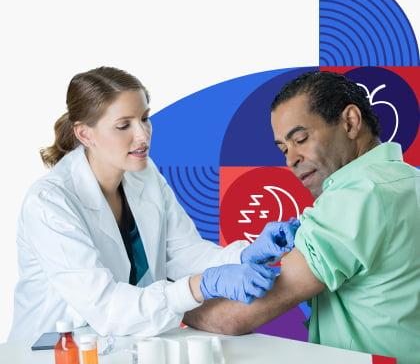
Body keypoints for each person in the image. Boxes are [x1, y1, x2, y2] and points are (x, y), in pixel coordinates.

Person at [8, 67, 298, 342]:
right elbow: (105, 306)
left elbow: (184, 253)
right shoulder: (49, 203)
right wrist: (201, 286)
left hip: (118, 344)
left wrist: (248, 254)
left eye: (144, 118)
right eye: (124, 125)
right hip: (50, 349)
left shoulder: (143, 174)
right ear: (85, 134)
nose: (142, 135)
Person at [183, 71, 420, 364]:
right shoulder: (409, 180)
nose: (290, 159)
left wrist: (173, 303)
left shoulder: (356, 196)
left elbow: (233, 318)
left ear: (350, 122)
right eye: (284, 148)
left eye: (301, 139)